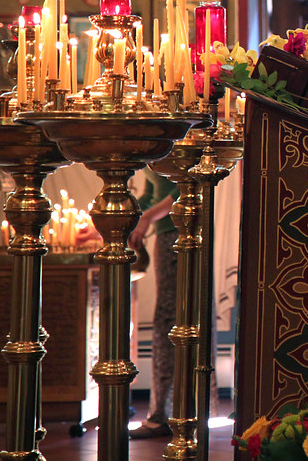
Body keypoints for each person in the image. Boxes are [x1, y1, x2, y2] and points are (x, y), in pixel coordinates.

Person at [128, 167, 180, 439]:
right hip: (165, 233)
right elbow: (151, 191)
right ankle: (163, 411)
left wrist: (147, 217)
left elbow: (183, 190)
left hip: (181, 231)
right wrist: (134, 218)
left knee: (170, 320)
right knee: (165, 320)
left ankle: (168, 413)